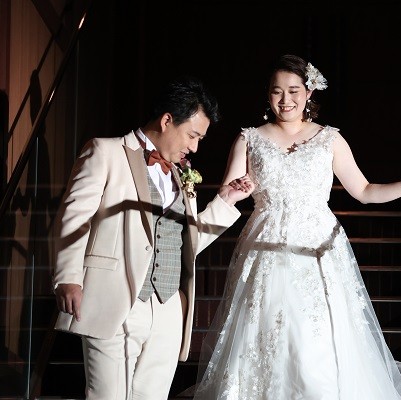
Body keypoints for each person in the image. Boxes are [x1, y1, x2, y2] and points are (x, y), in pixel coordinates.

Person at [193, 55, 401, 400]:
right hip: (266, 245)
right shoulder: (249, 139)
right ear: (268, 95)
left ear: (309, 92)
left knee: (316, 342)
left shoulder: (329, 139)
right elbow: (228, 194)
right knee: (265, 332)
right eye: (277, 91)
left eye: (293, 90)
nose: (285, 100)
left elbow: (364, 191)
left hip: (318, 248)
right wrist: (236, 190)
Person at [52, 75, 255, 400]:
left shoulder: (181, 174)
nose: (194, 147)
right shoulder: (106, 152)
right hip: (115, 297)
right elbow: (74, 218)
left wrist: (226, 201)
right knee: (108, 395)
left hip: (168, 305)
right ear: (166, 120)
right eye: (192, 135)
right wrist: (68, 277)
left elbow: (185, 243)